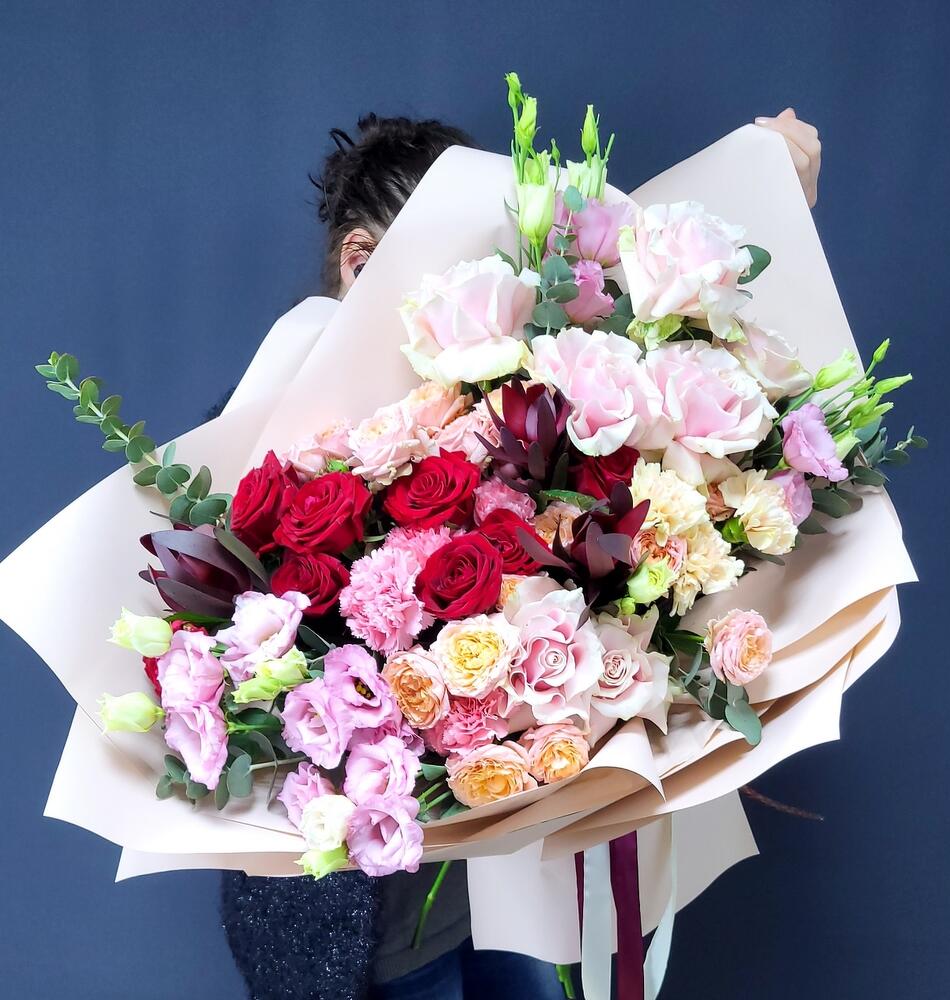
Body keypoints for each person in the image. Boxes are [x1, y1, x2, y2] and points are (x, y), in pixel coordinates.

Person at [220, 107, 822, 1000]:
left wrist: (772, 205)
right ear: (358, 260)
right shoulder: (263, 444)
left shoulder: (526, 410)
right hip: (362, 921)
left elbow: (692, 400)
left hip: (528, 886)